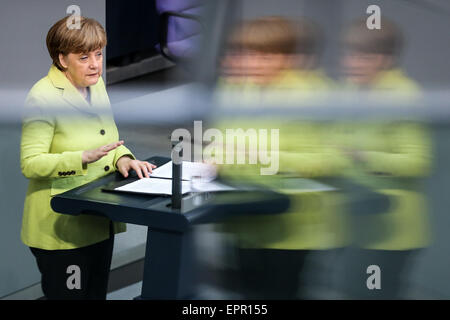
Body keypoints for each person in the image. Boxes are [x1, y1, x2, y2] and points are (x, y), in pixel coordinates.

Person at [20, 16, 155, 300]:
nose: (95, 64)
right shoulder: (42, 97)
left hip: (97, 219)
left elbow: (108, 138)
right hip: (63, 230)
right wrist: (81, 158)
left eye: (98, 54)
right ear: (62, 59)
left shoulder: (96, 84)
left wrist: (123, 158)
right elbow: (30, 164)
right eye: (84, 57)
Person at [215, 17, 349, 299]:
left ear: (290, 57)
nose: (253, 64)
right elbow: (220, 137)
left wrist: (266, 157)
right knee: (247, 293)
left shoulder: (317, 95)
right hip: (242, 215)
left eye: (266, 55)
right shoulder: (236, 87)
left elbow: (333, 159)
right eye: (247, 54)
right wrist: (213, 158)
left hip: (292, 224)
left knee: (280, 291)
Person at [337, 18, 432, 299]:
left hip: (391, 230)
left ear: (387, 59)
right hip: (354, 219)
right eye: (349, 53)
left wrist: (363, 156)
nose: (352, 63)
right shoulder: (349, 91)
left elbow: (418, 163)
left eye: (364, 56)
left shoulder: (404, 95)